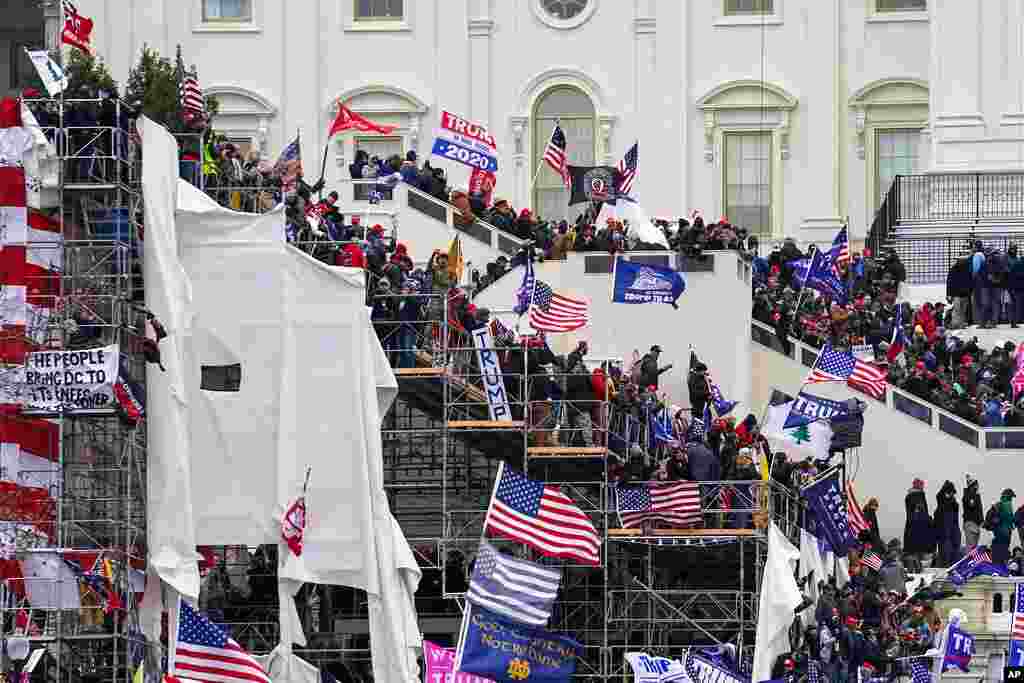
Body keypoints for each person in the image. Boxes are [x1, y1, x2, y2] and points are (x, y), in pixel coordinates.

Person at [903, 478, 934, 571]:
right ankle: (918, 569)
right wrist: (928, 520)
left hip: (911, 528)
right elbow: (921, 512)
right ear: (919, 485)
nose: (923, 487)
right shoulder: (918, 496)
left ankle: (914, 568)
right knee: (919, 551)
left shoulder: (909, 496)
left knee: (913, 552)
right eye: (922, 485)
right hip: (919, 528)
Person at [932, 480, 961, 568]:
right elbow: (940, 496)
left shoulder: (952, 503)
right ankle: (947, 565)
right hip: (945, 533)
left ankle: (951, 565)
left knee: (951, 550)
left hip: (951, 532)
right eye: (950, 492)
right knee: (945, 550)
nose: (952, 494)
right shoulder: (942, 503)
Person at [991, 488, 1016, 565]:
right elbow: (1009, 517)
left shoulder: (998, 504)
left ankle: (997, 565)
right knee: (1003, 550)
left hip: (998, 531)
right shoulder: (1007, 504)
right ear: (1008, 496)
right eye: (1011, 497)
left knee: (998, 550)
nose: (1011, 499)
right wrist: (1013, 521)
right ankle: (1002, 566)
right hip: (1005, 531)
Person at [962, 475, 983, 548]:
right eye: (976, 485)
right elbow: (972, 505)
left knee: (974, 547)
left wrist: (981, 521)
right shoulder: (969, 495)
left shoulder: (975, 495)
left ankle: (972, 559)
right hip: (970, 523)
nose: (977, 486)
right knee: (971, 547)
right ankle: (970, 559)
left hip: (976, 524)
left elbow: (979, 509)